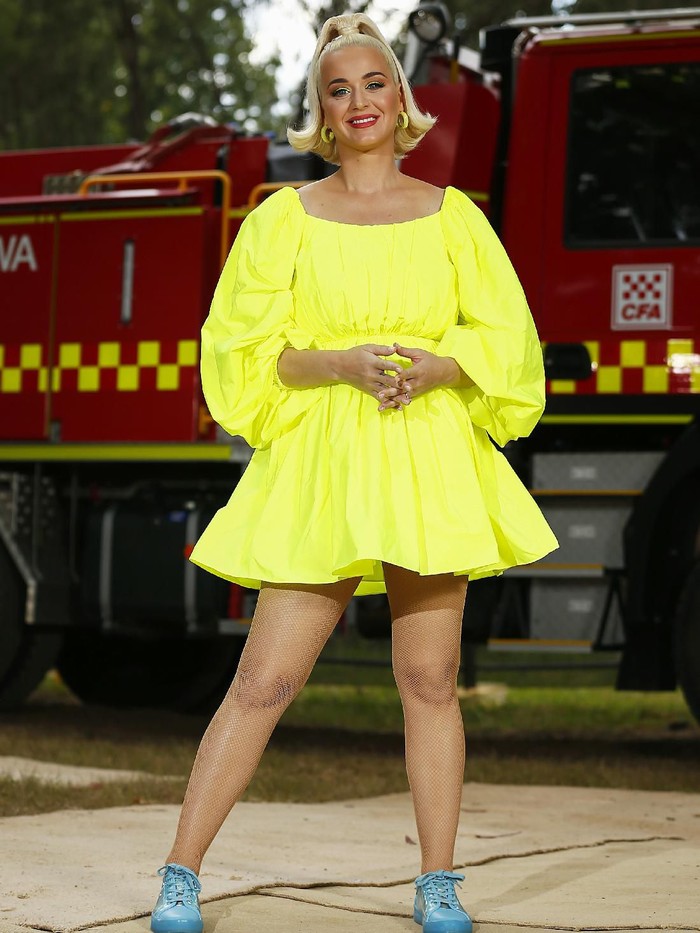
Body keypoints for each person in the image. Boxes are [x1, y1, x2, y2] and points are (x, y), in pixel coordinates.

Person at [149, 11, 558, 933]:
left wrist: (440, 366)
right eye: (339, 89)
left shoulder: (456, 218)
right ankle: (180, 872)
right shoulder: (281, 218)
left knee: (430, 680)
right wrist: (339, 362)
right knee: (263, 681)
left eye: (375, 83)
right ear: (322, 115)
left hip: (427, 457)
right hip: (326, 460)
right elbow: (248, 357)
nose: (359, 101)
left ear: (401, 98)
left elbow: (507, 347)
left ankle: (438, 882)